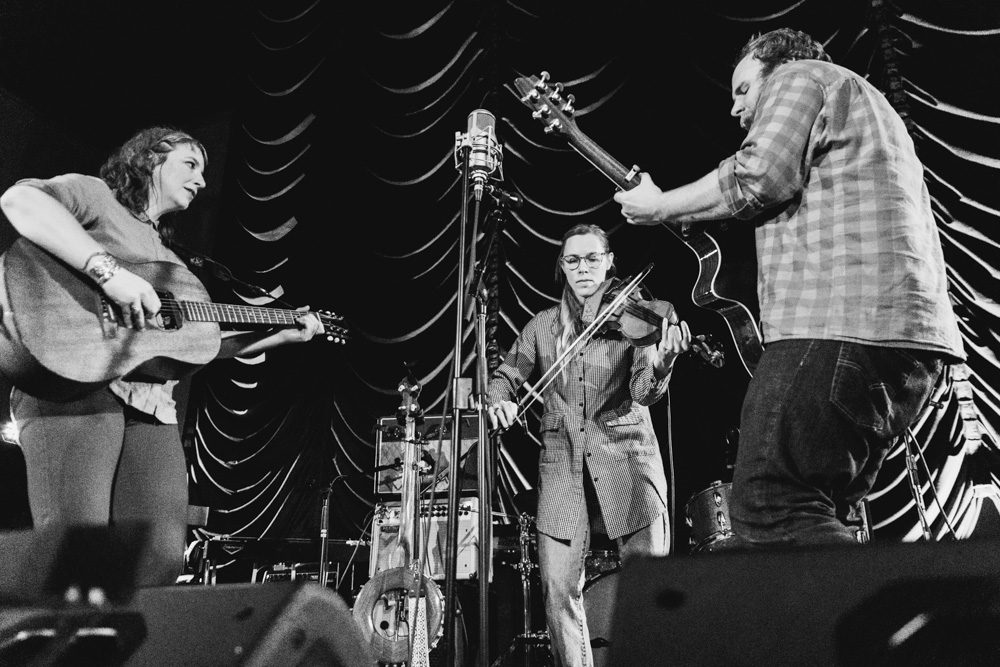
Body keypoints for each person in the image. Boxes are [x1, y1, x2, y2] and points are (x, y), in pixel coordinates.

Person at [614, 28, 966, 548]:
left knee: (767, 498)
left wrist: (660, 205)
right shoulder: (865, 109)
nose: (735, 109)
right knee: (814, 513)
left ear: (772, 64)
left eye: (743, 89)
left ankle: (882, 627)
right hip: (903, 343)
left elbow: (760, 176)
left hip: (840, 325)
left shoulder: (799, 76)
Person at [0, 126, 324, 586]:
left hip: (149, 405)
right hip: (74, 384)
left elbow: (198, 347)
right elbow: (20, 201)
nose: (202, 181)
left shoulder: (169, 254)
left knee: (160, 559)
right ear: (150, 159)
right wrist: (109, 274)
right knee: (75, 556)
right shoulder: (97, 197)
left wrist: (282, 333)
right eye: (190, 164)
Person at [486, 223, 691, 667]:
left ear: (609, 262)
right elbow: (507, 376)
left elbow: (642, 392)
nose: (584, 268)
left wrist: (664, 360)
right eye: (573, 260)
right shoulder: (542, 327)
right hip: (562, 470)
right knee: (558, 591)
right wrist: (500, 402)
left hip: (628, 463)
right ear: (562, 267)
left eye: (593, 258)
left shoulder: (631, 318)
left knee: (649, 592)